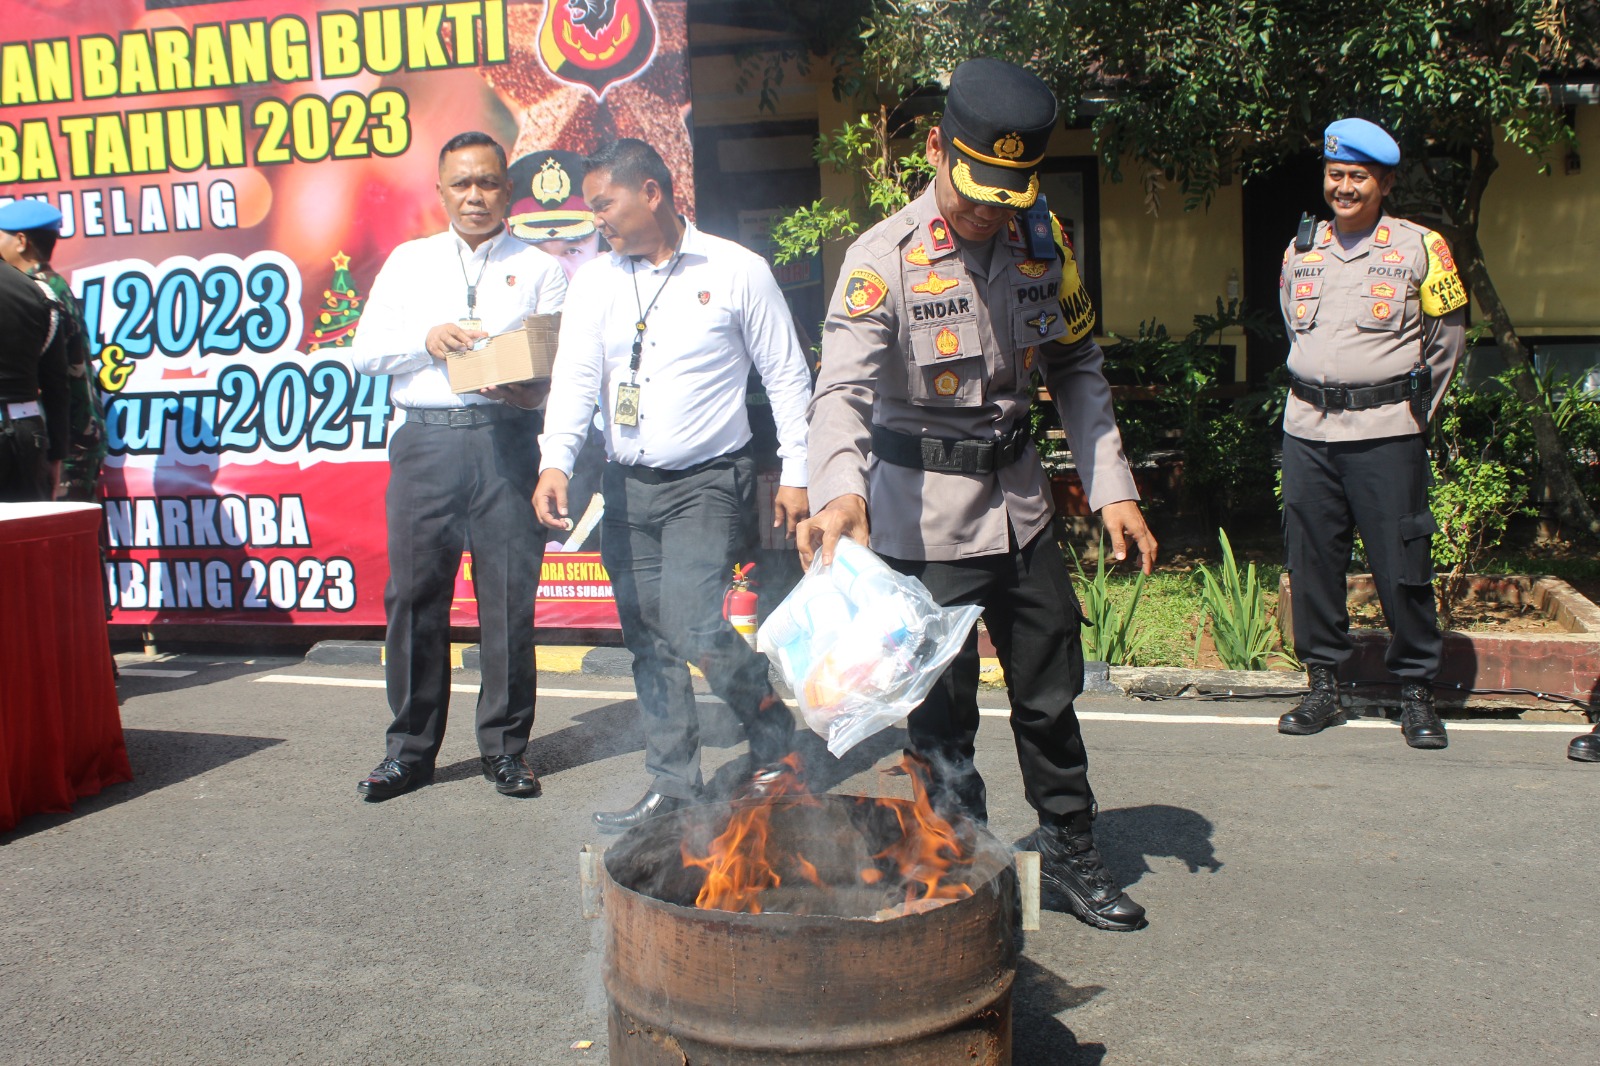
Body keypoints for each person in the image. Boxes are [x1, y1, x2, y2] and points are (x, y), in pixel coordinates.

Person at [798, 58, 1157, 933]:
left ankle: (1070, 852)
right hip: (923, 526)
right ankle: (958, 865)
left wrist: (1112, 485)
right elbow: (840, 390)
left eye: (1009, 193)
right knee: (940, 715)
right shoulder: (881, 260)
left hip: (1022, 512)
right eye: (976, 191)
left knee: (1049, 696)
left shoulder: (1045, 242)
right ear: (935, 149)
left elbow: (1075, 362)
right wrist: (840, 494)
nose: (989, 212)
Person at [532, 138, 813, 833]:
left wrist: (800, 472)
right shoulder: (596, 281)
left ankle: (769, 722)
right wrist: (555, 461)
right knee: (648, 639)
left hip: (708, 482)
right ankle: (674, 786)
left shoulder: (737, 270)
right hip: (627, 483)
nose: (595, 218)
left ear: (651, 192)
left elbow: (785, 376)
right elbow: (572, 377)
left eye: (604, 203)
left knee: (690, 622)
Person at [350, 132, 568, 801]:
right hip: (428, 444)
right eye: (462, 184)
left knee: (507, 602)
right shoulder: (409, 264)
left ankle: (505, 750)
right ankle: (409, 751)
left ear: (509, 189)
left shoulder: (541, 267)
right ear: (441, 191)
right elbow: (364, 353)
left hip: (507, 439)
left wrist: (528, 387)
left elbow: (563, 365)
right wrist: (427, 339)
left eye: (488, 183)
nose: (475, 196)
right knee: (414, 598)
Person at [1276, 118, 1467, 750]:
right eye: (1336, 175)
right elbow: (1295, 331)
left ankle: (1416, 691)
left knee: (1401, 564)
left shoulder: (1422, 248)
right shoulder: (1300, 249)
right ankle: (1324, 686)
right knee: (1313, 563)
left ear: (1383, 182)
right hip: (1308, 430)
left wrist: (1416, 413)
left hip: (1388, 431)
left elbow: (1449, 339)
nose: (1345, 187)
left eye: (1359, 176)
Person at [0, 201, 108, 502]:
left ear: (21, 241)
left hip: (70, 435)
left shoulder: (42, 290)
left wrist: (59, 447)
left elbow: (55, 376)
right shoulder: (49, 286)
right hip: (73, 431)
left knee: (66, 541)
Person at [0, 207, 68, 503]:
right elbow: (57, 384)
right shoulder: (39, 294)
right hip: (26, 435)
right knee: (23, 543)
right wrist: (57, 456)